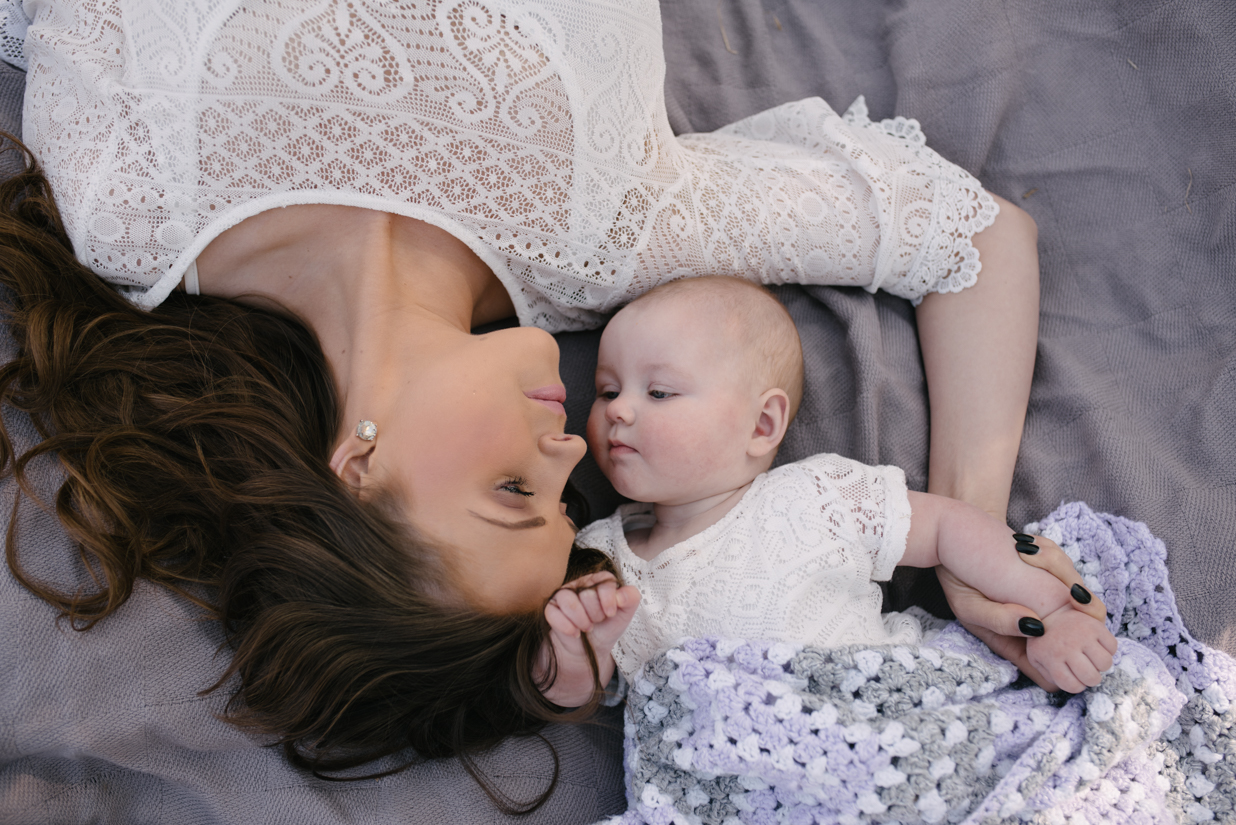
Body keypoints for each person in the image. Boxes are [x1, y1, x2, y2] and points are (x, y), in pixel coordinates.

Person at [0, 0, 1088, 810]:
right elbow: (976, 240)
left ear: (357, 467)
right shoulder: (613, 237)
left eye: (513, 487)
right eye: (567, 492)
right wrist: (968, 540)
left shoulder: (129, 212)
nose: (575, 440)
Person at [538, 277, 1116, 710]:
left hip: (886, 713)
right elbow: (571, 697)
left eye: (658, 392)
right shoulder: (597, 559)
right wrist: (573, 648)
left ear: (762, 426)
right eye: (607, 390)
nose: (619, 410)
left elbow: (948, 530)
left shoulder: (817, 494)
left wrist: (1051, 608)